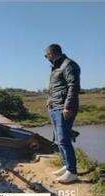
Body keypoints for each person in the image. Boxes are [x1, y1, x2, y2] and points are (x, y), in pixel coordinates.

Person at [45, 44, 81, 183]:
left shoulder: (68, 65)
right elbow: (57, 87)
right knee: (60, 139)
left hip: (63, 108)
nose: (46, 58)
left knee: (64, 139)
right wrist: (50, 99)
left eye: (46, 55)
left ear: (51, 53)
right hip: (55, 106)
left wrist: (68, 106)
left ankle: (72, 172)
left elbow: (73, 86)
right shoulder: (56, 66)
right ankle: (66, 166)